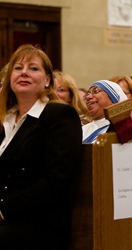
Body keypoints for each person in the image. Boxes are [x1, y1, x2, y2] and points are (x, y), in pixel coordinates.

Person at [0, 44, 82, 249]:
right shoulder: (6, 118)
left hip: (38, 224)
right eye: (18, 68)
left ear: (47, 80)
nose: (24, 72)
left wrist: (3, 210)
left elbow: (57, 180)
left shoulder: (59, 115)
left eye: (33, 68)